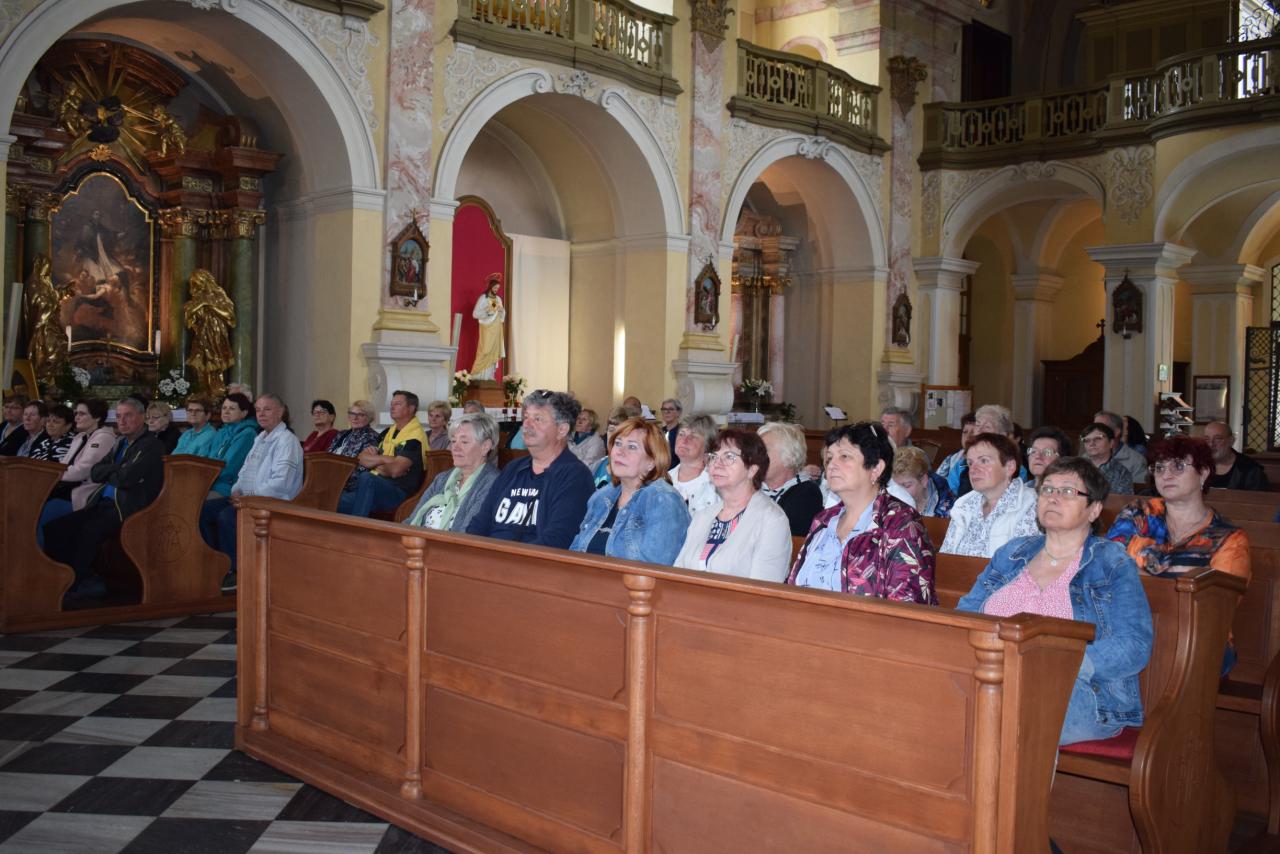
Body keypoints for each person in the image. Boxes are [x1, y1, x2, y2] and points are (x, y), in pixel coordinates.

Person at [956, 456, 1153, 745]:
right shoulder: (1012, 553)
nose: (1053, 497)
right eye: (1047, 489)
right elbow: (966, 614)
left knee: (1006, 709)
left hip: (1080, 690)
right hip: (993, 675)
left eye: (1068, 491)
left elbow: (1134, 645)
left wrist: (1055, 664)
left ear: (1094, 509)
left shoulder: (1111, 562)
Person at [787, 422, 936, 602]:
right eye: (829, 458)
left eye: (844, 456)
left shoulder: (901, 524)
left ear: (876, 468)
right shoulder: (824, 520)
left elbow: (907, 606)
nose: (831, 465)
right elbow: (793, 587)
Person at [43, 397, 164, 602]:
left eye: (128, 416)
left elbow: (126, 479)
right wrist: (116, 469)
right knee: (56, 528)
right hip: (104, 502)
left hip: (129, 506)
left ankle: (77, 584)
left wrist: (113, 471)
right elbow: (96, 472)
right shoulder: (120, 442)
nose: (122, 421)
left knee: (89, 529)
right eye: (119, 416)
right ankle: (63, 579)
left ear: (142, 417)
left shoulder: (150, 445)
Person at [1108, 434, 1250, 593]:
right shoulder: (1138, 512)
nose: (1166, 475)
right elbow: (1105, 566)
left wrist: (1134, 577)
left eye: (1178, 466)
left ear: (1203, 473)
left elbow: (1217, 601)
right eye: (1159, 468)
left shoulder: (1229, 538)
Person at [202, 394, 303, 593]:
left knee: (227, 516)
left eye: (267, 409)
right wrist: (236, 491)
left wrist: (249, 498)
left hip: (274, 503)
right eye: (258, 410)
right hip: (249, 499)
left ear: (280, 412)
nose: (261, 414)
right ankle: (216, 563)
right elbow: (244, 472)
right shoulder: (260, 438)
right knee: (204, 510)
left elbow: (281, 483)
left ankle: (238, 571)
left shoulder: (287, 441)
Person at [467, 389, 594, 547]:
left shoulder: (575, 476)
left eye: (537, 419)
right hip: (488, 557)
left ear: (562, 429)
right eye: (526, 417)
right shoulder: (513, 469)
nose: (526, 425)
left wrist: (502, 557)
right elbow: (480, 523)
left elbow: (556, 540)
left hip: (533, 560)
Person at [675, 429, 792, 581]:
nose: (717, 464)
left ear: (752, 470)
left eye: (729, 457)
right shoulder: (702, 517)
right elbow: (678, 573)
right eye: (713, 457)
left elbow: (764, 588)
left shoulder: (772, 520)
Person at [571, 418, 691, 563]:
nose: (620, 452)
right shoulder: (601, 497)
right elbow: (575, 553)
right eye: (618, 443)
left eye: (632, 447)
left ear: (652, 462)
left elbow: (654, 569)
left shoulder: (664, 501)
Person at [940, 432, 1039, 557]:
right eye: (970, 463)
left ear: (1009, 467)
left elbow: (1023, 563)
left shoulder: (1032, 505)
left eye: (984, 461)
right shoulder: (963, 505)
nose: (973, 469)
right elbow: (946, 556)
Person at [406, 412, 501, 532]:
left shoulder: (492, 483)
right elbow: (412, 519)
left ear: (485, 446)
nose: (454, 448)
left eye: (464, 442)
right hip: (419, 540)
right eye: (454, 441)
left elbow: (469, 533)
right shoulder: (442, 478)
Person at [338, 390, 427, 518]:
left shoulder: (415, 436)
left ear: (411, 408)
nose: (392, 407)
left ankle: (357, 525)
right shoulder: (387, 432)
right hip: (375, 487)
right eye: (391, 404)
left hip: (398, 493)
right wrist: (388, 459)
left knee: (367, 477)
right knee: (334, 499)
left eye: (397, 404)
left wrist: (374, 462)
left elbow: (396, 470)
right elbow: (361, 458)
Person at [758, 421, 824, 535]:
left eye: (763, 450)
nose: (755, 455)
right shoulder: (751, 485)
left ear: (789, 457)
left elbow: (783, 537)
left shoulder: (806, 493)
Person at [184, 268, 236, 400]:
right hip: (201, 335)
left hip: (217, 334)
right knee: (200, 362)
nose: (197, 287)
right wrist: (200, 305)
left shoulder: (218, 297)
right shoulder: (195, 300)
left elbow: (229, 316)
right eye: (194, 284)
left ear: (205, 281)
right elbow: (189, 318)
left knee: (215, 362)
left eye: (199, 283)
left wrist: (210, 305)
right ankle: (203, 390)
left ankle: (217, 391)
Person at [209, 393, 258, 498]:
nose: (226, 411)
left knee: (192, 501)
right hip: (209, 483)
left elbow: (229, 467)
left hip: (227, 488)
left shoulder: (247, 434)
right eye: (224, 408)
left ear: (244, 413)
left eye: (231, 408)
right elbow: (209, 459)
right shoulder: (222, 432)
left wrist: (205, 477)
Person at [669, 414, 719, 515]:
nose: (684, 440)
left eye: (693, 436)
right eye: (681, 434)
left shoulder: (716, 485)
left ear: (707, 446)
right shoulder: (664, 479)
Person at [329, 400, 382, 493]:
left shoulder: (372, 437)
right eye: (352, 413)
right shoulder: (341, 434)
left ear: (369, 417)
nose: (354, 418)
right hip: (329, 481)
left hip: (348, 487)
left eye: (360, 415)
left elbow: (362, 469)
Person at [1203, 420, 1270, 491]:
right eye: (1207, 439)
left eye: (1218, 439)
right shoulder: (1199, 464)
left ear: (1231, 441)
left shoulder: (1250, 470)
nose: (1211, 444)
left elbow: (1259, 497)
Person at [891, 445, 953, 518]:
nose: (899, 492)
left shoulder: (947, 510)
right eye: (895, 485)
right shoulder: (889, 495)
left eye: (907, 486)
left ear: (924, 481)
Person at [1094, 410, 1149, 485]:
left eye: (1100, 428)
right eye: (1093, 428)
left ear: (1116, 432)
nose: (1093, 433)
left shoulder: (1137, 461)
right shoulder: (1086, 457)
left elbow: (1140, 490)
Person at [1080, 422, 1133, 497]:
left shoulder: (1122, 473)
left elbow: (1123, 501)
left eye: (1098, 438)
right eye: (1087, 440)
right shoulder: (1077, 468)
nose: (1092, 443)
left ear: (1111, 443)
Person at [592, 404, 638, 488]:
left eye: (621, 432)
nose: (615, 436)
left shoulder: (630, 473)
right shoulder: (598, 465)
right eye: (611, 430)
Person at [471, 273, 506, 380]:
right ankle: (478, 375)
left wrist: (502, 311)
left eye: (498, 288)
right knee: (485, 350)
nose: (496, 290)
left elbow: (502, 315)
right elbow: (475, 314)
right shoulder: (483, 298)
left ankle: (489, 376)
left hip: (496, 328)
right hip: (487, 328)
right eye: (495, 287)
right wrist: (487, 313)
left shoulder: (498, 299)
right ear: (490, 286)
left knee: (493, 351)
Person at [658, 398, 683, 468]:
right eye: (664, 409)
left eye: (671, 409)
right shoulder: (658, 432)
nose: (666, 412)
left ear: (678, 412)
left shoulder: (682, 432)